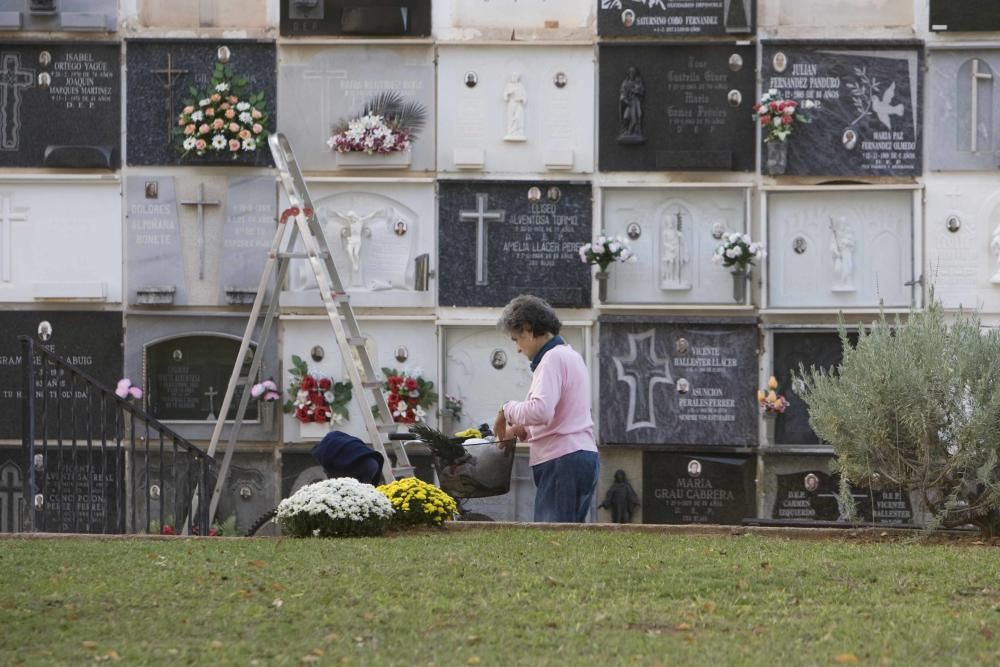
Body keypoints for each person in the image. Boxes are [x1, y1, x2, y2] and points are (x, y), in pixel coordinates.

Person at [493, 295, 599, 523]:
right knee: (569, 538)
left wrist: (505, 410)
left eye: (516, 339)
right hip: (580, 455)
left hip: (561, 460)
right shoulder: (570, 356)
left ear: (528, 329)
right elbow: (562, 416)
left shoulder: (551, 359)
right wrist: (523, 430)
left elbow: (541, 411)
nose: (518, 349)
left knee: (553, 539)